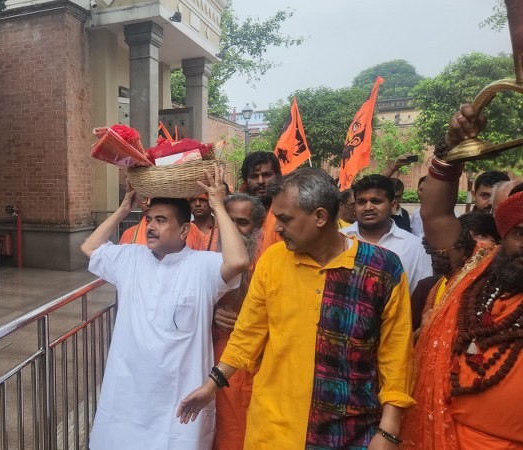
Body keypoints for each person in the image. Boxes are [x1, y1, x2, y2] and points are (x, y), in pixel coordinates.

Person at [178, 167, 415, 448]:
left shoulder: (382, 268)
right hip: (275, 427)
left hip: (351, 428)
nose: (276, 228)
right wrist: (211, 386)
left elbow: (396, 352)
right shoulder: (273, 261)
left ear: (319, 217)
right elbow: (248, 333)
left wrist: (389, 428)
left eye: (285, 219)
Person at [81, 167, 249, 450]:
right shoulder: (130, 258)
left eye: (161, 220)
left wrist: (218, 205)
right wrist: (123, 209)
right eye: (149, 219)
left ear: (184, 230)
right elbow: (89, 247)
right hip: (127, 396)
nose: (150, 227)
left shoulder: (202, 266)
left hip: (177, 402)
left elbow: (238, 261)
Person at [401, 104, 523, 449]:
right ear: (504, 235)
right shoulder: (474, 267)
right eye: (521, 234)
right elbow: (436, 213)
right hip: (439, 436)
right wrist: (451, 150)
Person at [210, 193, 265, 450]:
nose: (233, 231)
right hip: (214, 363)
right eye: (228, 222)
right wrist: (209, 314)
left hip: (259, 365)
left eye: (241, 223)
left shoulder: (272, 263)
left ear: (258, 227)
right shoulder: (204, 261)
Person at [341, 174, 432, 293]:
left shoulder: (415, 247)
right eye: (361, 202)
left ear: (393, 206)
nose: (368, 207)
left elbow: (422, 295)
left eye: (376, 201)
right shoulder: (339, 239)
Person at [239, 152, 282, 256]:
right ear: (245, 181)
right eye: (254, 176)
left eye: (266, 175)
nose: (261, 181)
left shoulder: (287, 212)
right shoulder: (239, 214)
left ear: (278, 176)